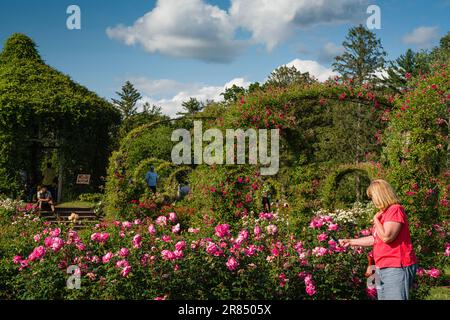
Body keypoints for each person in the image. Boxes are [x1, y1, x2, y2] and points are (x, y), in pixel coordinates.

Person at [339, 179, 417, 300]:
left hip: (395, 266)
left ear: (381, 195)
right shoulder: (383, 213)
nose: (372, 200)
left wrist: (375, 219)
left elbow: (387, 237)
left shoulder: (395, 209)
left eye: (373, 196)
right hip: (381, 266)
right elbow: (375, 238)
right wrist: (350, 241)